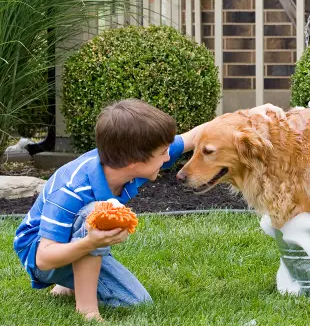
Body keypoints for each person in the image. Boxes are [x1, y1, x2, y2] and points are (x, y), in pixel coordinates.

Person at [12, 99, 283, 321]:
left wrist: (249, 115)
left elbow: (195, 135)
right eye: (164, 153)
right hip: (39, 253)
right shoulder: (72, 189)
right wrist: (90, 242)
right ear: (133, 160)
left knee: (136, 302)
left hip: (70, 246)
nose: (170, 158)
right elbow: (42, 258)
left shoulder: (129, 166)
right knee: (93, 211)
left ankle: (69, 280)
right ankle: (87, 310)